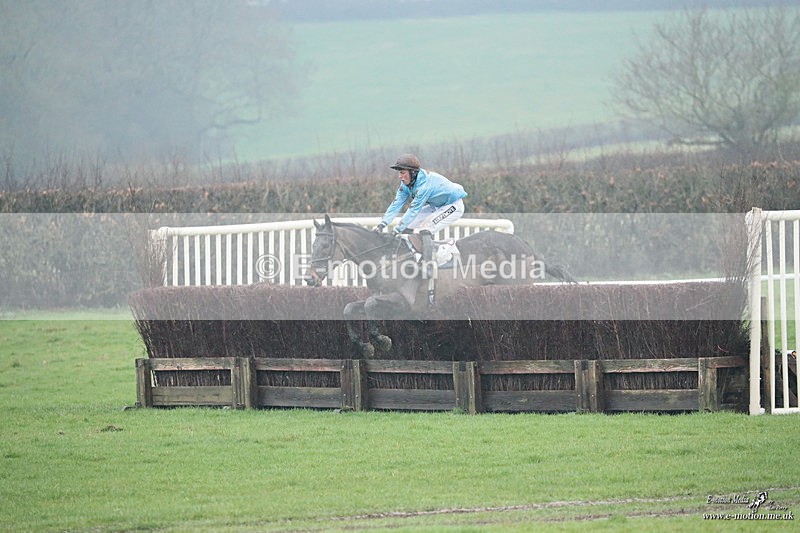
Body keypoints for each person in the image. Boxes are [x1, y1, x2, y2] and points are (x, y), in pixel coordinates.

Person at [375, 154, 467, 265]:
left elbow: (413, 210)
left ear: (413, 173)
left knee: (425, 228)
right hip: (436, 205)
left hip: (453, 206)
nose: (400, 176)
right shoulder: (405, 185)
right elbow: (395, 205)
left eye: (402, 172)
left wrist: (396, 231)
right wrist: (381, 225)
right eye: (399, 173)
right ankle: (407, 257)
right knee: (409, 225)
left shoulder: (424, 186)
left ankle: (428, 263)